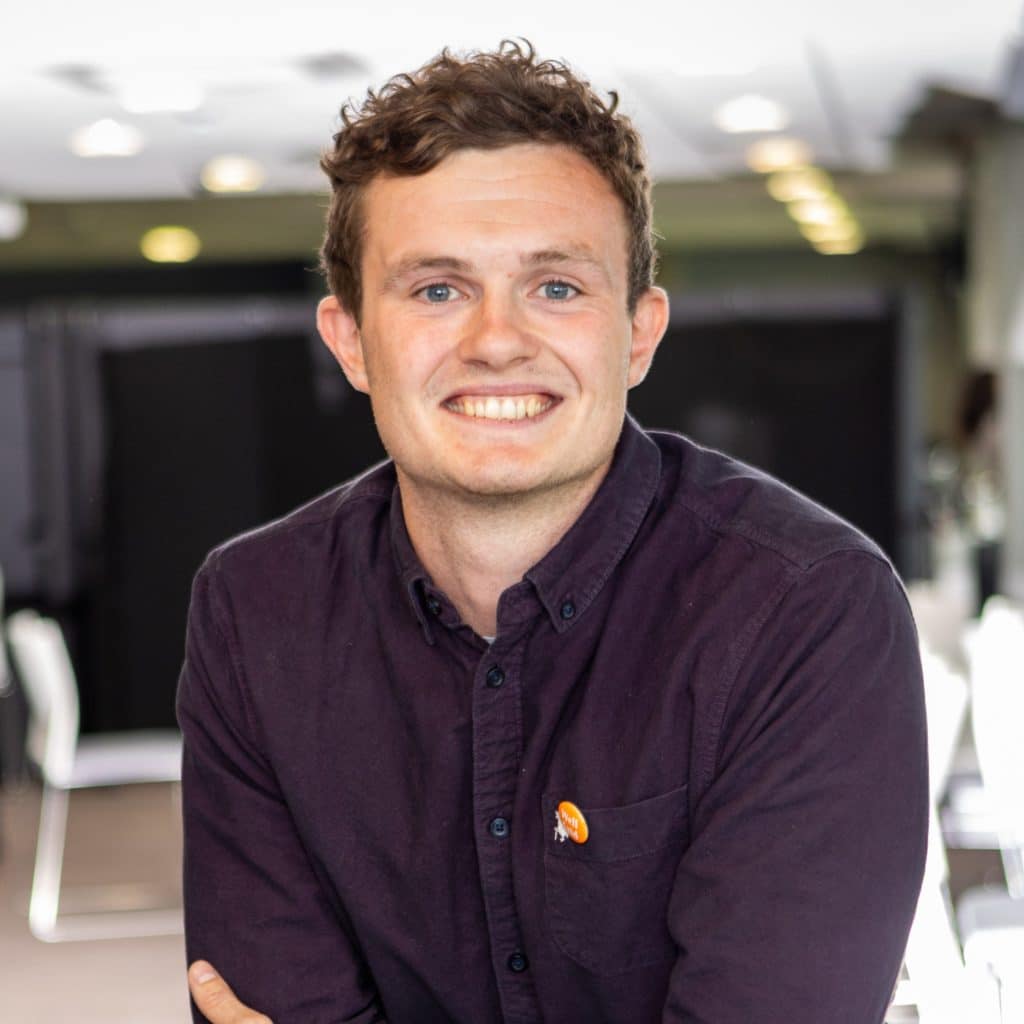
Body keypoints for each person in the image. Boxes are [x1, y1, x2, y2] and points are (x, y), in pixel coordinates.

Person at [177, 40, 928, 1024]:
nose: (495, 340)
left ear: (639, 333)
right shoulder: (254, 610)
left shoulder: (804, 605)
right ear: (351, 341)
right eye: (437, 288)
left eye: (556, 287)